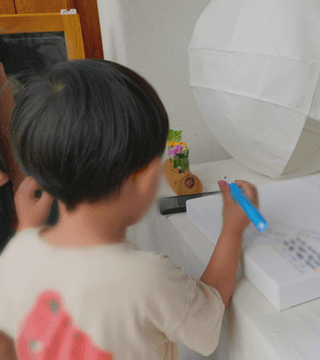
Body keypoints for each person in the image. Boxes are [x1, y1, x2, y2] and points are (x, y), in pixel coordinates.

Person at [0, 59, 258, 359]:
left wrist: (26, 231)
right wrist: (232, 228)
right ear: (146, 179)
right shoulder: (147, 277)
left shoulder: (15, 258)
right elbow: (209, 315)